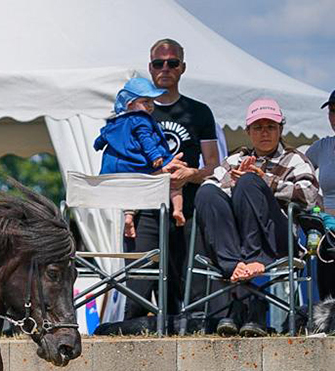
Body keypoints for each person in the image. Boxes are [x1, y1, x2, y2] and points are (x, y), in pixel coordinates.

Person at [195, 98, 321, 336]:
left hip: (279, 242)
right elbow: (208, 189)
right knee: (208, 192)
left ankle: (252, 264)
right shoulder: (236, 159)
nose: (264, 133)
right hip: (236, 243)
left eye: (271, 127)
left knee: (251, 182)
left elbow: (310, 195)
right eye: (258, 127)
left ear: (281, 130)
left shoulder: (294, 159)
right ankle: (236, 267)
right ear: (248, 132)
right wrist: (230, 182)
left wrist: (268, 182)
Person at [123, 38, 220, 320]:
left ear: (183, 67)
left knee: (190, 291)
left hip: (187, 211)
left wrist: (191, 174)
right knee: (139, 289)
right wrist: (156, 173)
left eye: (172, 62)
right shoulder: (135, 110)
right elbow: (124, 163)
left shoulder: (199, 112)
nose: (165, 68)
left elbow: (214, 165)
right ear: (150, 68)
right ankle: (131, 349)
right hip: (145, 209)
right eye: (158, 63)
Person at [93, 77, 185, 237]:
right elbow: (145, 139)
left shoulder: (115, 121)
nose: (150, 106)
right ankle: (178, 209)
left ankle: (128, 216)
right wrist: (155, 155)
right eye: (145, 101)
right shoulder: (142, 120)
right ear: (130, 104)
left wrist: (97, 145)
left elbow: (103, 136)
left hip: (117, 170)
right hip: (139, 165)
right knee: (175, 180)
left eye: (152, 101)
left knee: (132, 192)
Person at [306, 89, 335, 300]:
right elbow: (299, 173)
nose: (334, 117)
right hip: (330, 231)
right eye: (332, 111)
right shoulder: (322, 147)